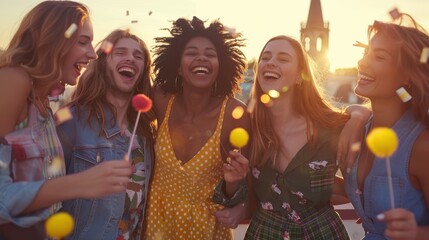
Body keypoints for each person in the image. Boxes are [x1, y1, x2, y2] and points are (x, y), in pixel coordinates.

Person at [0, 1, 131, 239]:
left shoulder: (43, 105)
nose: (92, 54)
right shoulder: (13, 80)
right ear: (51, 39)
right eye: (82, 42)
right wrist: (80, 183)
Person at [219, 35, 359, 239]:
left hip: (321, 233)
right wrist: (232, 182)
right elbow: (240, 195)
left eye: (283, 58)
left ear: (299, 77)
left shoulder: (331, 127)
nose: (271, 62)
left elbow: (354, 184)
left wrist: (359, 115)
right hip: (265, 233)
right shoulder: (249, 127)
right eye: (265, 58)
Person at [143, 16, 251, 239]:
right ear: (179, 67)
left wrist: (232, 185)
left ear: (219, 67)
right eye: (191, 53)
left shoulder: (234, 113)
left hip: (208, 229)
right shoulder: (161, 100)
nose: (201, 57)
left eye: (210, 54)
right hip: (155, 225)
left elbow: (243, 187)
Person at [56, 29, 156, 240]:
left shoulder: (145, 132)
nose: (130, 58)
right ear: (103, 63)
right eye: (120, 52)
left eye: (138, 56)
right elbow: (46, 193)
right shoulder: (70, 120)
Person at [343, 14, 429, 239]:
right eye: (365, 53)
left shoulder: (422, 146)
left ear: (407, 76)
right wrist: (355, 114)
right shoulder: (358, 130)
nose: (362, 62)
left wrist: (417, 233)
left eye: (379, 57)